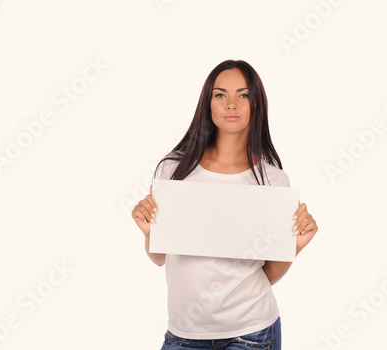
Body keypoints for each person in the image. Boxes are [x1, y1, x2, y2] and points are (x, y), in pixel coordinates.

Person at [131, 60, 318, 350]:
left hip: (252, 333)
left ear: (256, 105)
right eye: (220, 95)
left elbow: (267, 274)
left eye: (243, 95)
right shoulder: (174, 170)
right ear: (207, 104)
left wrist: (296, 244)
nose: (231, 104)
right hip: (183, 333)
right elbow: (159, 258)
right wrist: (147, 231)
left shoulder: (273, 181)